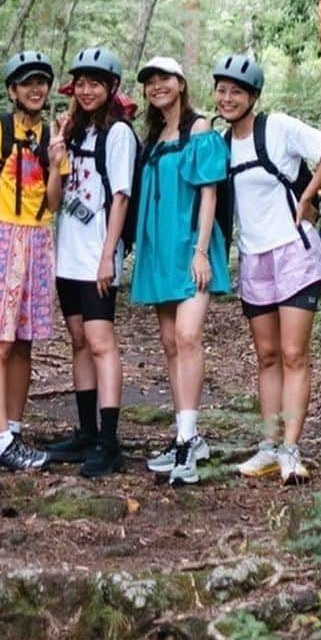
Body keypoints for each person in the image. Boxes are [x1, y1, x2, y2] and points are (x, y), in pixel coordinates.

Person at [212, 54, 321, 484]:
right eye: (221, 90)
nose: (227, 98)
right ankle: (268, 445)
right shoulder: (221, 144)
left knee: (295, 354)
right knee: (267, 356)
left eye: (236, 92)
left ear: (254, 97)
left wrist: (309, 195)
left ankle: (291, 450)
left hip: (294, 251)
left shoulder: (277, 127)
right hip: (255, 257)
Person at [0, 49, 65, 472]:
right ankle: (1, 439)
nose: (35, 89)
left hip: (39, 239)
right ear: (12, 90)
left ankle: (15, 431)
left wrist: (57, 163)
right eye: (27, 83)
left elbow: (55, 201)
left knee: (24, 341)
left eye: (41, 82)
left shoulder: (52, 137)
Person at [129, 55, 229, 486]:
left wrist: (202, 250)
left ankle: (190, 438)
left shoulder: (199, 128)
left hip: (191, 247)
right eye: (150, 81)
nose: (157, 86)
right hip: (159, 250)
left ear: (182, 83)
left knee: (188, 337)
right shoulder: (151, 137)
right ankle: (184, 433)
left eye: (164, 78)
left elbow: (209, 193)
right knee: (170, 343)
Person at [45, 47, 137, 478]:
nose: (86, 91)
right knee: (79, 340)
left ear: (111, 88)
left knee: (101, 343)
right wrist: (55, 158)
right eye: (80, 83)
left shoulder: (118, 135)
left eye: (95, 83)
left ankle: (109, 439)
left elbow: (121, 197)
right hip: (68, 255)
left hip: (98, 255)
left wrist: (107, 256)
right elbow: (55, 201)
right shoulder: (74, 133)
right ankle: (85, 432)